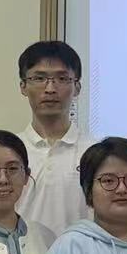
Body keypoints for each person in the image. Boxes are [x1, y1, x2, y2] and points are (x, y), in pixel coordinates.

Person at [15, 40, 95, 243]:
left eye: (62, 78)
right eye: (39, 78)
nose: (50, 88)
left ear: (77, 87)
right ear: (23, 86)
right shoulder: (10, 152)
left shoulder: (95, 152)